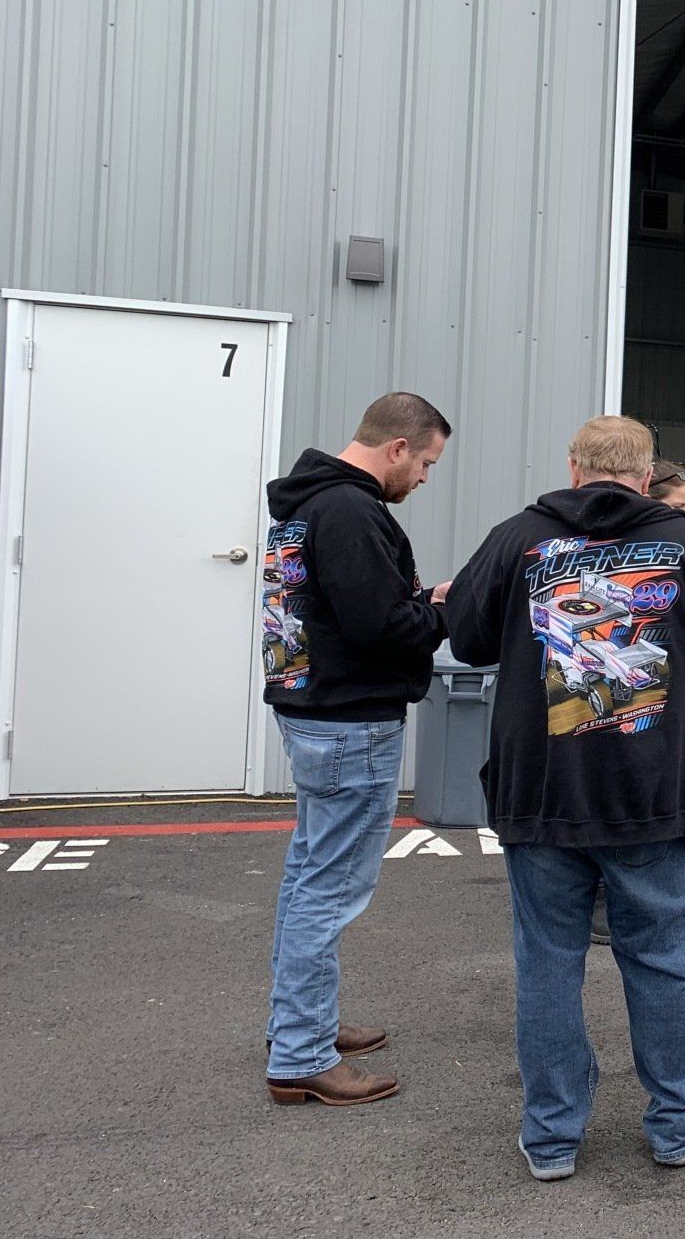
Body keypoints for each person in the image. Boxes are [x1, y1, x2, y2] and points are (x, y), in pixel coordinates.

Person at [443, 416, 685, 1182]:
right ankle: (680, 1123)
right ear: (647, 474)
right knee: (661, 959)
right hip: (651, 792)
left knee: (547, 963)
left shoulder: (521, 537)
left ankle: (552, 1136)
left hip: (543, 792)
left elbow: (465, 638)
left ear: (574, 467)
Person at [262, 392, 452, 1107]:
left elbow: (343, 607)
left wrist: (420, 597)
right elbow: (379, 628)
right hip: (349, 720)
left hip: (314, 708)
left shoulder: (310, 502)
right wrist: (441, 611)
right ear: (397, 448)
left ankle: (299, 1027)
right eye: (427, 461)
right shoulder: (351, 511)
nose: (426, 478)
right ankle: (302, 1055)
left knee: (311, 875)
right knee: (329, 890)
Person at [592, 457, 685, 947]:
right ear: (646, 493)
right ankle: (600, 899)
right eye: (674, 506)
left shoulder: (679, 548)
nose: (682, 517)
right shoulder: (612, 550)